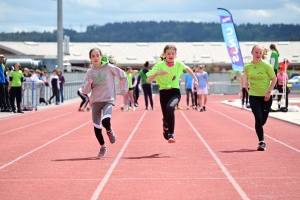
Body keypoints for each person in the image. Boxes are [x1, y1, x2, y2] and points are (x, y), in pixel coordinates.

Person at [146, 44, 198, 143]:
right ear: (164, 54)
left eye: (173, 53)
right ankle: (165, 125)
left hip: (175, 92)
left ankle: (171, 134)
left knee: (170, 108)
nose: (171, 55)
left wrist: (195, 79)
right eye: (168, 53)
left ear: (175, 54)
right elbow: (148, 80)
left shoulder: (178, 64)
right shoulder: (159, 65)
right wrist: (156, 73)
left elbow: (188, 69)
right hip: (163, 92)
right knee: (166, 117)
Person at [81, 48, 128, 157]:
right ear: (90, 59)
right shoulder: (90, 72)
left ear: (101, 56)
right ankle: (103, 147)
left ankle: (109, 130)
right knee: (96, 127)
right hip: (96, 101)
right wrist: (89, 83)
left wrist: (124, 90)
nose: (95, 58)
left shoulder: (109, 68)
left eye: (97, 55)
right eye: (93, 56)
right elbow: (85, 91)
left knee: (106, 121)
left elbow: (123, 76)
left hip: (108, 100)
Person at [244, 45, 277, 151]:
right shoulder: (248, 66)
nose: (258, 55)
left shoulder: (266, 65)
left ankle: (258, 128)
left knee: (262, 120)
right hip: (253, 95)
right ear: (252, 53)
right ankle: (262, 142)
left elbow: (274, 79)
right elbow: (246, 76)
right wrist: (246, 82)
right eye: (256, 52)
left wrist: (268, 92)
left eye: (260, 53)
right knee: (258, 118)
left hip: (266, 96)